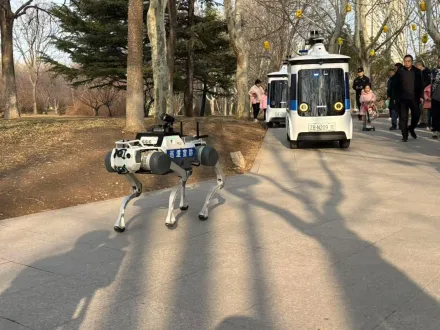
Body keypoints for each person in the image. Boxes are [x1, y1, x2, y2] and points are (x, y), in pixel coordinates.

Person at [392, 54, 423, 142]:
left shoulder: (417, 71)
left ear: (412, 62)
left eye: (408, 61)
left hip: (414, 98)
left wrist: (421, 96)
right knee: (403, 118)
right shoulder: (400, 71)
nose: (407, 63)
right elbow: (394, 85)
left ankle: (411, 128)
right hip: (403, 99)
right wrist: (395, 97)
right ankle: (404, 136)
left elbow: (421, 85)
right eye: (405, 61)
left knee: (416, 115)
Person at [415, 60, 432, 128]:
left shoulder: (427, 72)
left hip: (426, 92)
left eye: (416, 66)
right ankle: (422, 121)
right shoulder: (420, 72)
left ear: (420, 65)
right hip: (421, 92)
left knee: (425, 107)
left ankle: (425, 122)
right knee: (421, 107)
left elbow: (428, 83)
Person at [431, 56, 440, 139]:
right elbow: (431, 81)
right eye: (439, 61)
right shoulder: (434, 71)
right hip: (435, 95)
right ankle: (435, 130)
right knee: (435, 114)